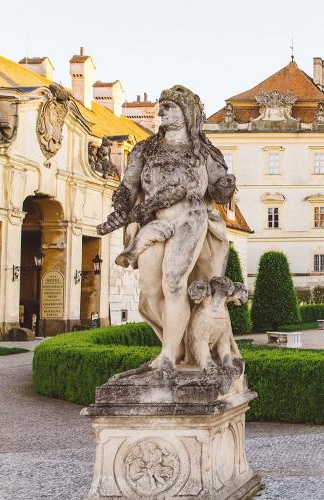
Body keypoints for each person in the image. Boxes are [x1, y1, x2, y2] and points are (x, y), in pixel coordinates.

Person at [102, 85, 237, 379]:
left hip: (190, 216)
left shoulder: (203, 151)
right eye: (160, 106)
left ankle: (167, 357)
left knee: (174, 281)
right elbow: (127, 187)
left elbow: (219, 189)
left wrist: (226, 187)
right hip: (155, 219)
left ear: (187, 112)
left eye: (170, 106)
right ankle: (176, 347)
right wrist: (122, 208)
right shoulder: (145, 148)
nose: (161, 111)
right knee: (150, 288)